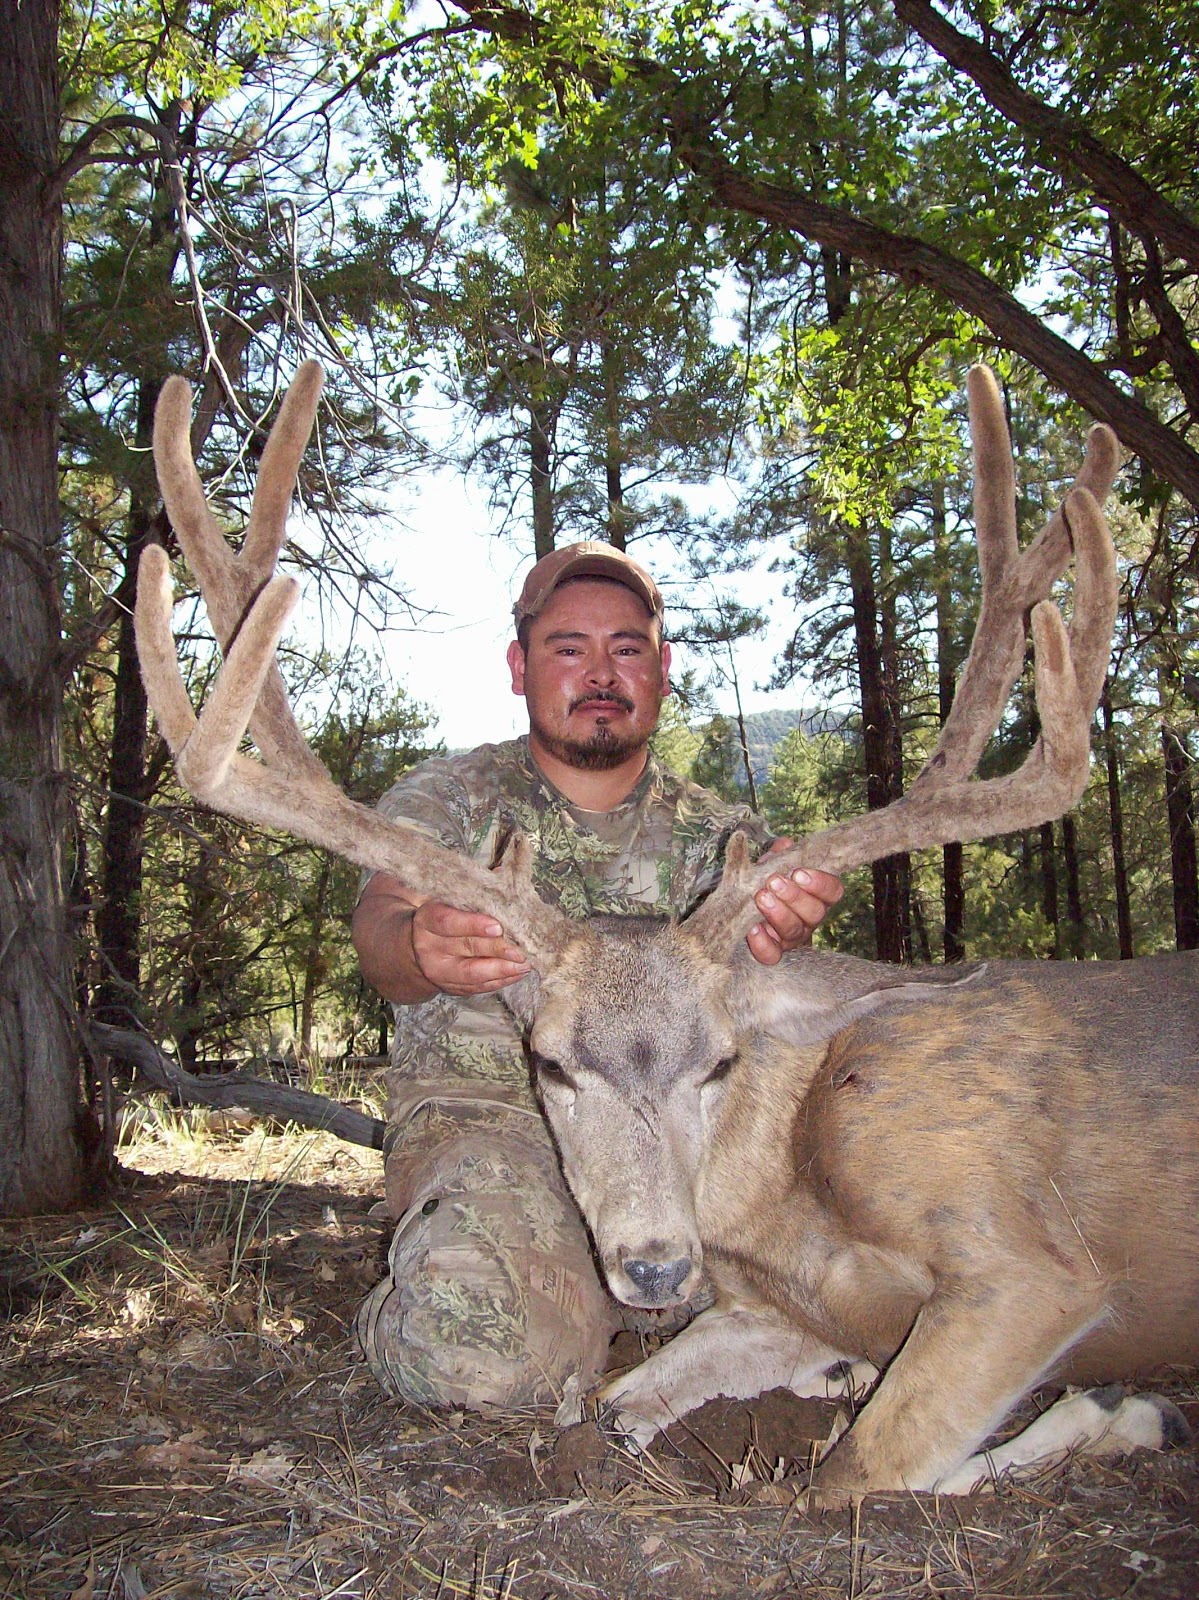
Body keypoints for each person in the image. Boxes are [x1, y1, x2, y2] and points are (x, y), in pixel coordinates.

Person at [352, 541, 843, 1409]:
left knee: (853, 1288)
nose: (600, 673)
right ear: (520, 666)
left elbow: (764, 1019)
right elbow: (380, 931)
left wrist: (786, 932)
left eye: (627, 648)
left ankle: (626, 1311)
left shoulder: (721, 837)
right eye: (567, 648)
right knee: (475, 1364)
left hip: (685, 1143)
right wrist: (416, 942)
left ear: (661, 668)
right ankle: (463, 1276)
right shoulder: (451, 800)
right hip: (493, 1123)